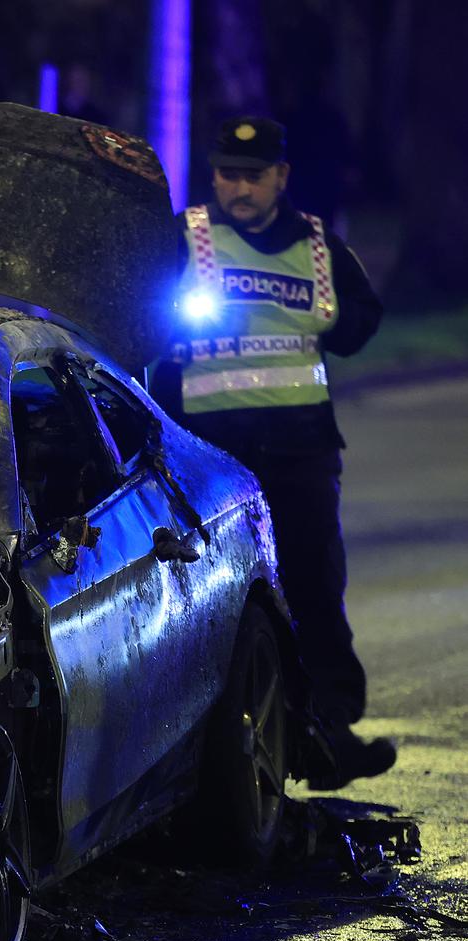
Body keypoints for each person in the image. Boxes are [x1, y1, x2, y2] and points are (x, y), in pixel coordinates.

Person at [157, 115, 394, 786]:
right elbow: (134, 316)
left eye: (253, 175)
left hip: (299, 449)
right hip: (207, 454)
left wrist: (325, 318)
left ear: (279, 178)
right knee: (205, 598)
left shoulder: (317, 245)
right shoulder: (183, 239)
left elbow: (357, 326)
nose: (239, 187)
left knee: (314, 586)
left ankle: (328, 732)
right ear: (213, 176)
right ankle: (200, 750)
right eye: (228, 174)